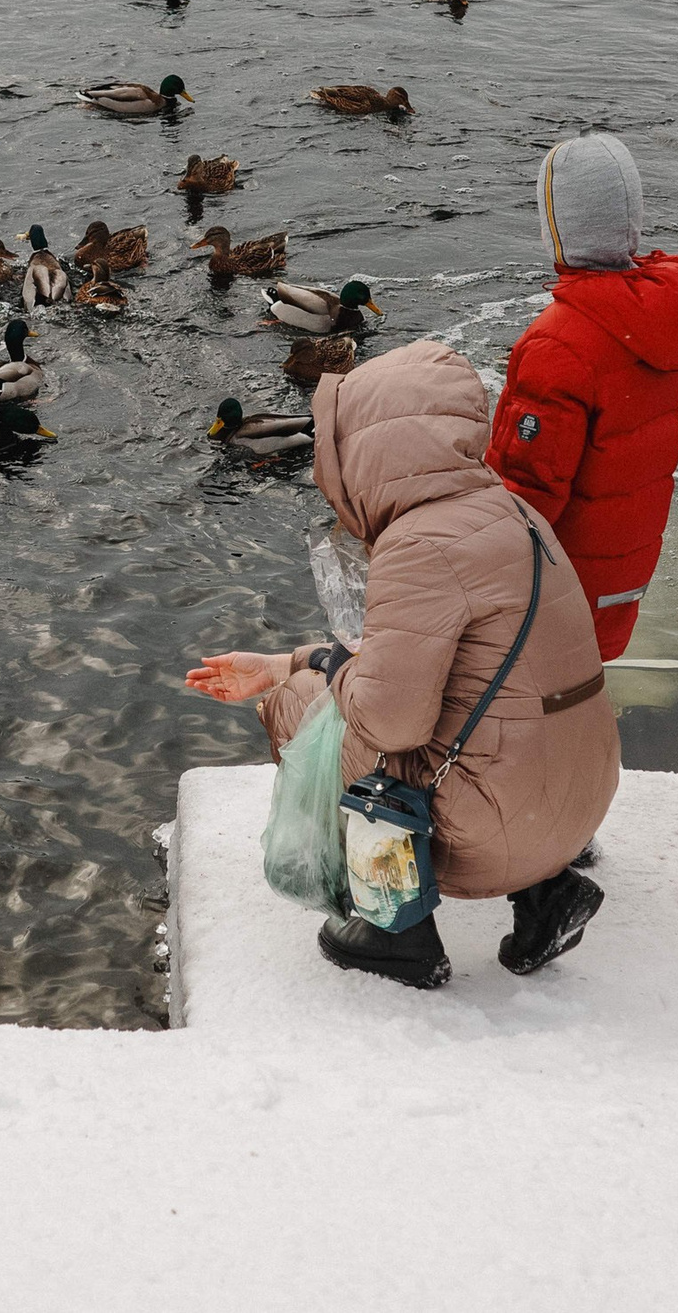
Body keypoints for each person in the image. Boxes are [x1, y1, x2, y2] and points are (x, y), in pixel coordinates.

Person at [187, 340, 621, 989]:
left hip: (500, 822)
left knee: (310, 712)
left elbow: (389, 719)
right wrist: (290, 660)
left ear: (363, 451)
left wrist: (305, 680)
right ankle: (546, 894)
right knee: (336, 689)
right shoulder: (513, 512)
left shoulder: (418, 544)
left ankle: (397, 928)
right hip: (576, 802)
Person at [483, 130, 678, 660]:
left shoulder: (558, 344)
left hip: (558, 585)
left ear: (557, 228)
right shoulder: (653, 318)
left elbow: (526, 497)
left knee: (529, 710)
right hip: (619, 571)